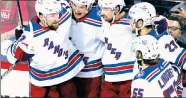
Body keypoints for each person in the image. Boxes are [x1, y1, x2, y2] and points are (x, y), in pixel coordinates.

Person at [5, 0, 85, 97]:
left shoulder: (32, 36)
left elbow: (13, 56)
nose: (56, 18)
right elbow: (13, 56)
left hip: (60, 77)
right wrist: (20, 40)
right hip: (48, 82)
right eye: (52, 15)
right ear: (41, 17)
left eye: (57, 13)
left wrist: (19, 39)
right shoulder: (31, 35)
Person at [129, 2, 186, 97]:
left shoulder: (161, 40)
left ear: (140, 22)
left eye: (132, 19)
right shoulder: (143, 37)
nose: (129, 21)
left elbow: (183, 58)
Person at [97, 0, 136, 97]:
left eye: (106, 9)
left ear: (117, 9)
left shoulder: (132, 22)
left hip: (128, 77)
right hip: (109, 77)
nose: (102, 13)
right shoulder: (106, 21)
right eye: (102, 9)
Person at [69, 0, 105, 97]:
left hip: (91, 74)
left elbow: (111, 41)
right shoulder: (65, 16)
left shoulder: (99, 19)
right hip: (71, 72)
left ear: (89, 7)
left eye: (81, 7)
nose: (76, 10)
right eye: (74, 5)